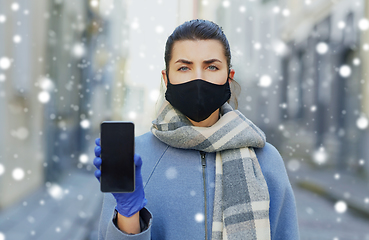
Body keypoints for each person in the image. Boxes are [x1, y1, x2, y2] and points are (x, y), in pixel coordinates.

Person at [93, 19, 299, 240]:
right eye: (184, 67)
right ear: (167, 78)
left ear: (229, 78)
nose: (198, 78)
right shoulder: (136, 159)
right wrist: (129, 213)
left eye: (211, 67)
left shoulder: (266, 161)